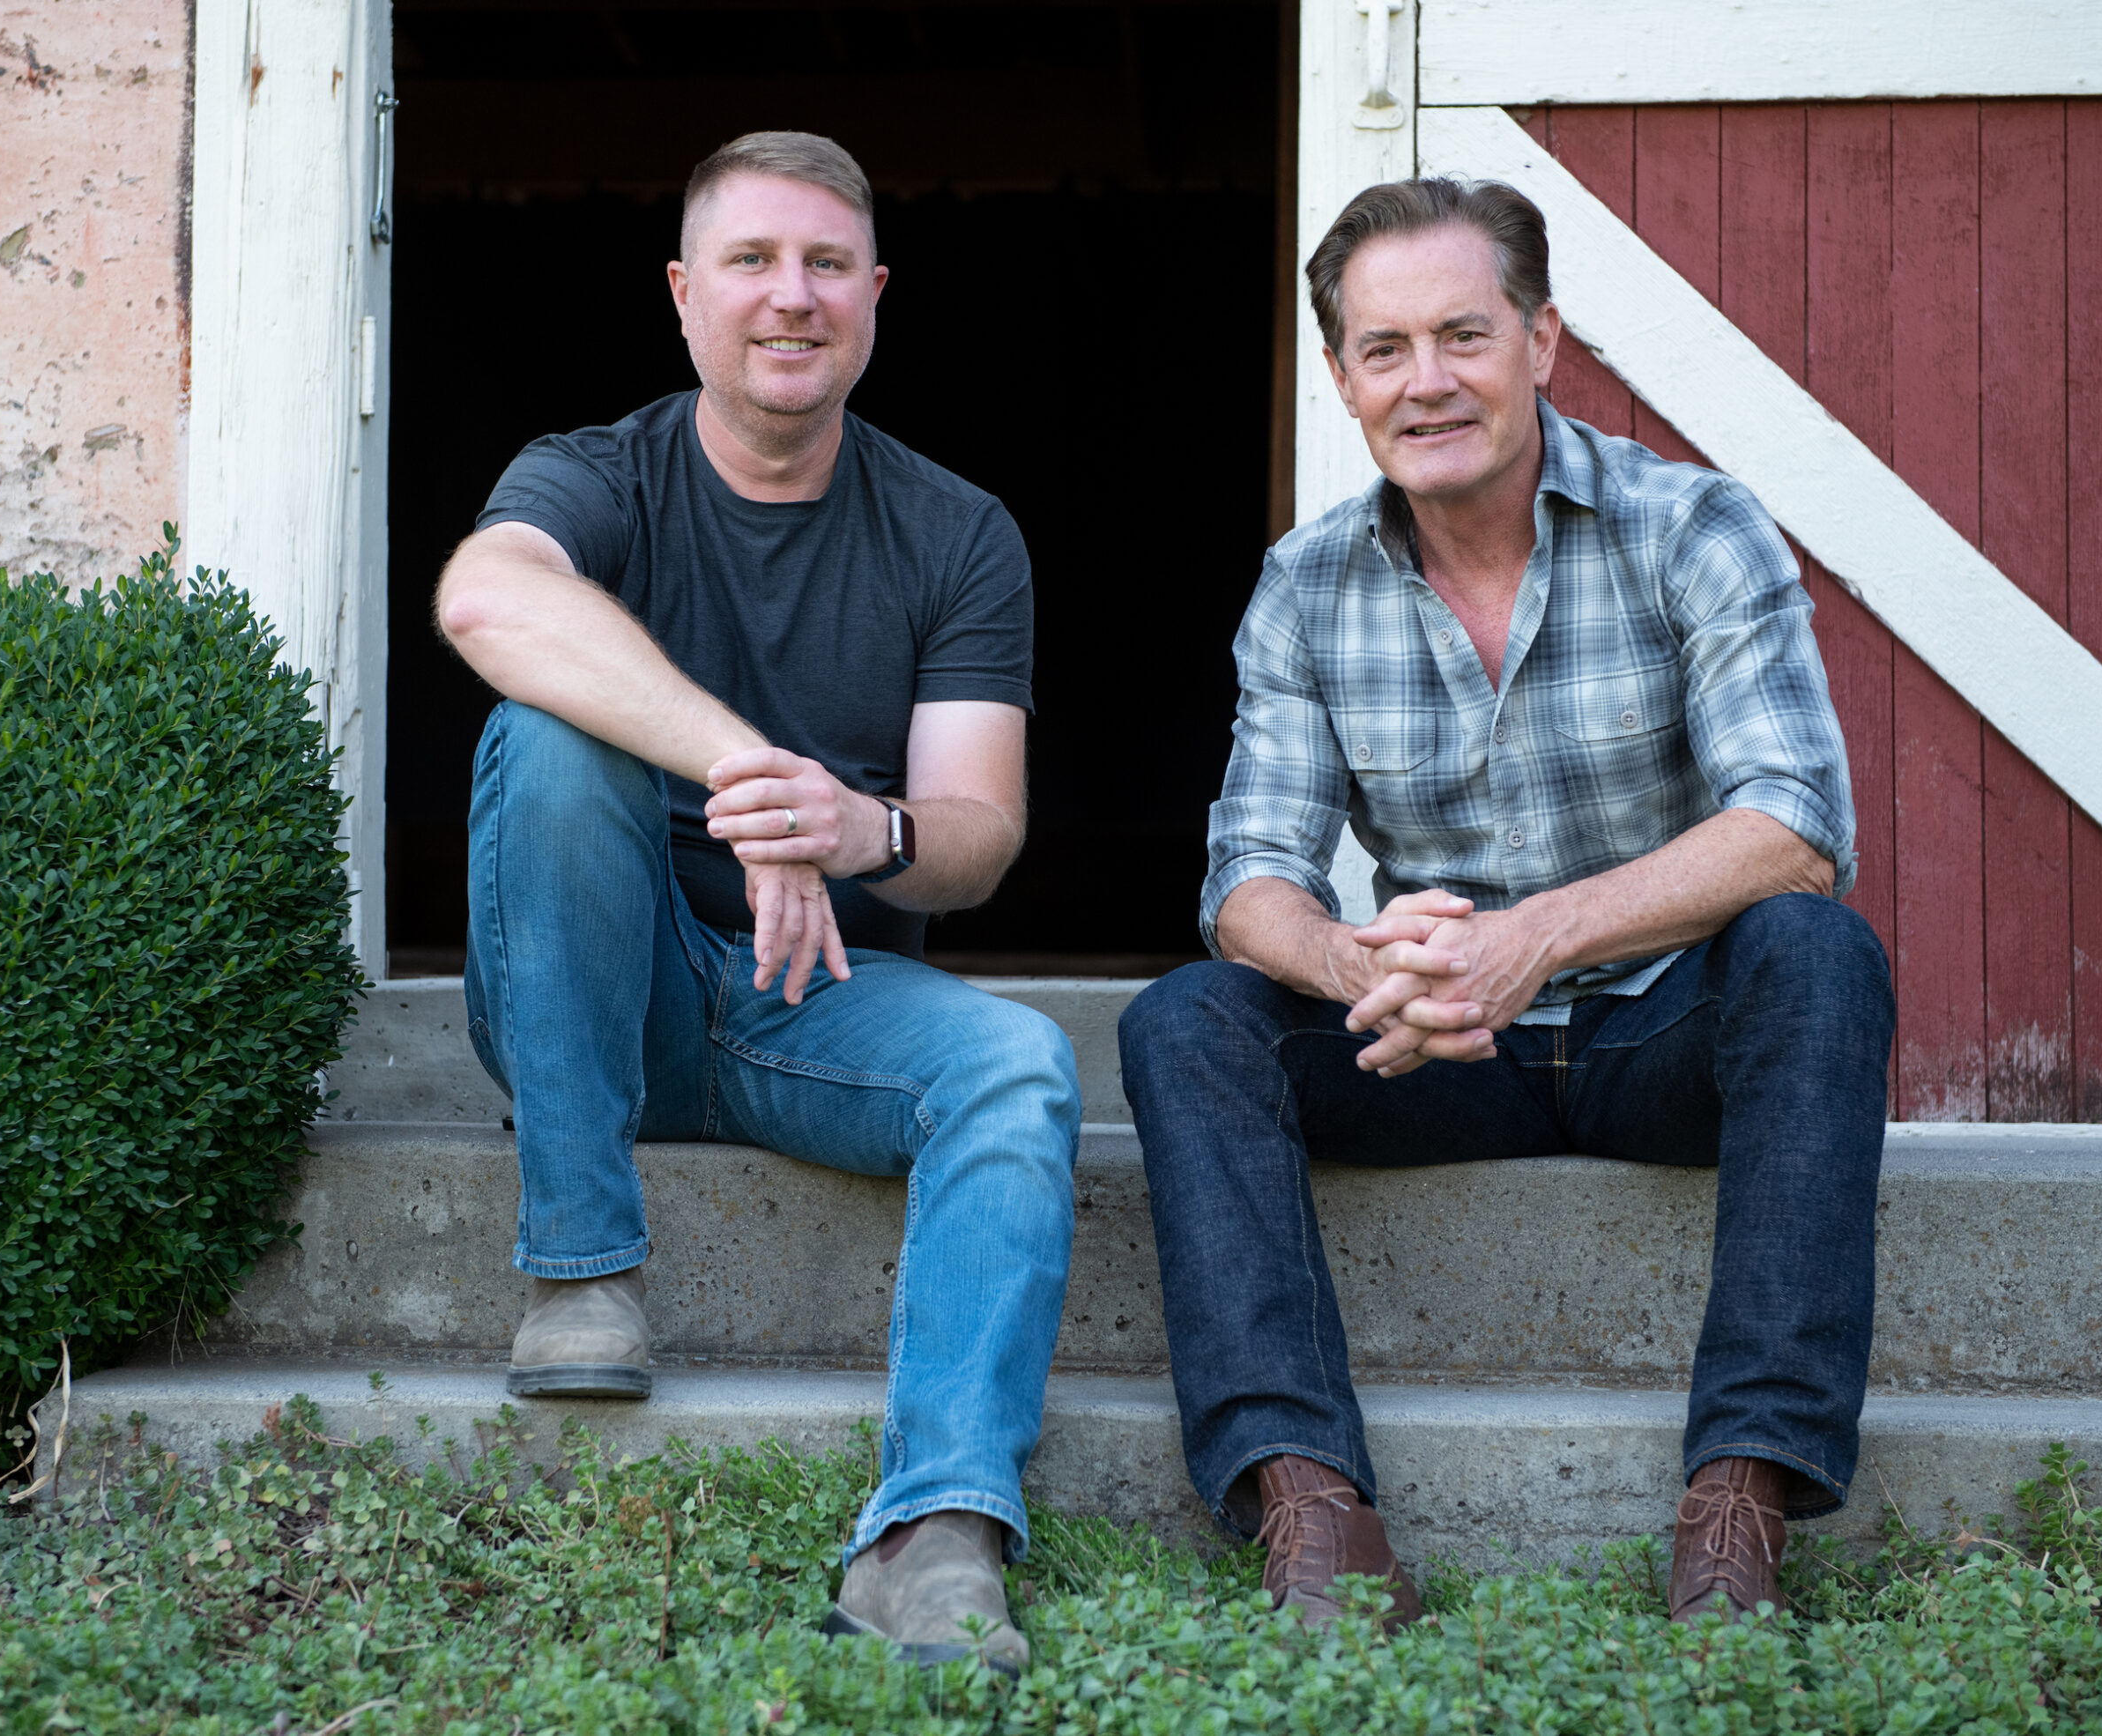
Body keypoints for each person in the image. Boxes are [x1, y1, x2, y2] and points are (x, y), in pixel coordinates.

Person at [1119, 176, 1893, 1629]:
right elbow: (1247, 884)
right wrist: (1352, 961)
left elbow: (1795, 826)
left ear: (1542, 340)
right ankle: (1309, 1505)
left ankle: (1744, 1494)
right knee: (1189, 1022)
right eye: (1386, 348)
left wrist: (1530, 936)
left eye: (1463, 336)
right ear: (1343, 378)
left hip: (1662, 1032)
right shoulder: (1305, 586)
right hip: (1442, 1054)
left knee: (1815, 953)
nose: (1429, 382)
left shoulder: (1692, 526)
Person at [435, 130, 1075, 1673]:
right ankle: (581, 1270)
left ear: (873, 296)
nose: (790, 297)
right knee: (549, 722)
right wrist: (747, 773)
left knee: (1022, 1065)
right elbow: (483, 596)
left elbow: (980, 835)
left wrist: (854, 826)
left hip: (818, 994)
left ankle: (934, 1536)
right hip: (610, 981)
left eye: (826, 265)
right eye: (750, 261)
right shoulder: (595, 471)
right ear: (682, 295)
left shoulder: (957, 530)